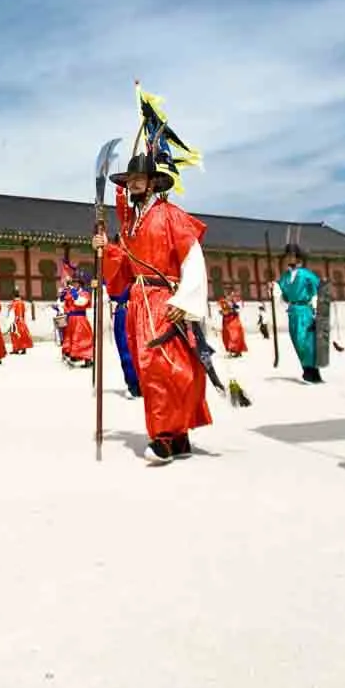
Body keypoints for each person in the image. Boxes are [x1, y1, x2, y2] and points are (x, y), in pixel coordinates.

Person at [93, 153, 213, 465]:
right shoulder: (131, 225)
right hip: (139, 302)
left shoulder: (170, 214)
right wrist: (105, 248)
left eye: (139, 179)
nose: (133, 184)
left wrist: (184, 300)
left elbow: (193, 258)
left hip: (165, 300)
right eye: (129, 180)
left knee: (170, 368)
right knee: (154, 369)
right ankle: (176, 436)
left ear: (152, 183)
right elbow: (121, 266)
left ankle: (164, 436)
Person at [277, 243, 328, 383]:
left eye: (292, 256)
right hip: (292, 312)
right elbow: (281, 293)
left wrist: (317, 308)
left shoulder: (306, 274)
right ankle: (307, 369)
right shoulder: (285, 277)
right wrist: (273, 287)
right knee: (297, 342)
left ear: (298, 258)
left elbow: (319, 288)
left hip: (305, 310)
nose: (290, 258)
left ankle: (312, 371)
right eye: (288, 256)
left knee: (306, 341)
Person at [107, 276, 141, 397]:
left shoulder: (139, 277)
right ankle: (133, 384)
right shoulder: (117, 280)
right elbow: (112, 293)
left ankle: (140, 383)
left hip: (138, 312)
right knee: (125, 349)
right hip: (123, 312)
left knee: (139, 350)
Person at [57, 268, 93, 368]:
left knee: (82, 338)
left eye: (76, 283)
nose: (74, 284)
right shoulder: (69, 292)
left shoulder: (85, 293)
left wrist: (73, 292)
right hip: (70, 319)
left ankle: (87, 358)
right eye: (73, 282)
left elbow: (80, 302)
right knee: (70, 338)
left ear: (80, 284)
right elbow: (62, 303)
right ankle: (74, 355)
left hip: (80, 318)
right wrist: (62, 297)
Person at [216, 293, 248, 358]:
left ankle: (235, 351)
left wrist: (230, 311)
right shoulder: (223, 302)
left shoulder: (236, 303)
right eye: (228, 296)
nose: (229, 297)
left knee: (234, 336)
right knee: (228, 336)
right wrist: (223, 312)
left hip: (234, 322)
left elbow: (237, 310)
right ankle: (234, 351)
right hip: (227, 322)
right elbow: (222, 310)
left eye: (230, 296)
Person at [7, 291, 35, 356]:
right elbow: (23, 312)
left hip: (16, 320)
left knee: (15, 334)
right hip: (21, 320)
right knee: (22, 334)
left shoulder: (15, 303)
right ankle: (23, 348)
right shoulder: (21, 302)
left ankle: (16, 349)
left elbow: (14, 312)